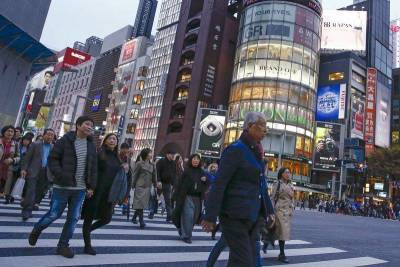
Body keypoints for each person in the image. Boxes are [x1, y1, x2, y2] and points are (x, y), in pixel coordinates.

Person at [202, 112, 275, 267]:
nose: (265, 131)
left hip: (251, 216)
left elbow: (261, 184)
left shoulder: (257, 153)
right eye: (262, 126)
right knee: (244, 262)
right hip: (234, 216)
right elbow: (219, 183)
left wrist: (269, 210)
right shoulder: (235, 150)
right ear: (249, 126)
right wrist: (210, 216)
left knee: (239, 261)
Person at [28, 116, 97, 259]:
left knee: (73, 218)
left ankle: (63, 246)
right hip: (62, 186)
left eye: (92, 125)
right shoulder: (65, 140)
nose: (89, 127)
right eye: (87, 124)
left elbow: (93, 168)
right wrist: (60, 175)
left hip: (80, 189)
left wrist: (91, 186)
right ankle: (37, 228)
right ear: (78, 125)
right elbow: (52, 159)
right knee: (54, 214)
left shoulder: (91, 145)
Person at [82, 133, 128, 255]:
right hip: (96, 190)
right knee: (89, 217)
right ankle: (87, 245)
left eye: (115, 139)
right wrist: (89, 187)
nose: (113, 140)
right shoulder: (99, 154)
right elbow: (91, 171)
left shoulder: (118, 158)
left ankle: (87, 232)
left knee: (107, 218)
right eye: (110, 138)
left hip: (109, 193)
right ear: (105, 141)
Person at [173, 154, 209, 243]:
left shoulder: (202, 172)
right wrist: (175, 196)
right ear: (191, 160)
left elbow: (208, 184)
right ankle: (187, 236)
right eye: (194, 159)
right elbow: (179, 184)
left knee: (194, 217)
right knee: (188, 216)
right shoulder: (186, 171)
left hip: (197, 198)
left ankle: (184, 230)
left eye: (197, 159)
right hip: (187, 197)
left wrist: (205, 181)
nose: (196, 160)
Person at [20, 129, 55, 221]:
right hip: (33, 170)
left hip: (46, 172)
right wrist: (24, 169)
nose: (50, 137)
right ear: (43, 135)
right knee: (31, 190)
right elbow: (27, 158)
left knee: (38, 192)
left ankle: (29, 207)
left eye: (52, 135)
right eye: (48, 134)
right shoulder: (35, 144)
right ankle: (26, 211)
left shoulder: (53, 147)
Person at [271, 167, 295, 264]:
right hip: (279, 210)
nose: (288, 174)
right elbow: (273, 197)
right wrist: (271, 211)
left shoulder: (291, 184)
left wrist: (292, 206)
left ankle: (267, 241)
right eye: (286, 172)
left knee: (280, 231)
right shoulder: (278, 183)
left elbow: (292, 198)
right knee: (283, 232)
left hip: (288, 211)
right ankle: (282, 254)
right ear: (281, 174)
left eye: (289, 172)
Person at [131, 148, 157, 228]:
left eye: (151, 153)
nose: (151, 155)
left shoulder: (153, 165)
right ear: (145, 154)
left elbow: (154, 176)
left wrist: (155, 185)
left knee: (141, 204)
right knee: (140, 203)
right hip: (140, 186)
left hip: (148, 187)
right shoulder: (139, 164)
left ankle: (134, 217)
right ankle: (141, 221)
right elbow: (135, 175)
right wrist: (132, 184)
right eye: (150, 153)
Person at [0, 125, 20, 204]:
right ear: (4, 132)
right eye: (8, 131)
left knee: (4, 189)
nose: (10, 133)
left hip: (8, 170)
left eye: (12, 131)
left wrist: (12, 160)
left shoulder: (16, 144)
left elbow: (19, 157)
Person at [156, 150, 176, 222]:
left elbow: (174, 174)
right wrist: (158, 180)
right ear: (167, 154)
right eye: (171, 154)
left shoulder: (173, 163)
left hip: (168, 184)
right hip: (160, 183)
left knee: (168, 200)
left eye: (173, 154)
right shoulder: (161, 161)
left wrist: (174, 184)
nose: (173, 156)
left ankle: (169, 216)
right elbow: (157, 171)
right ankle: (152, 211)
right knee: (155, 198)